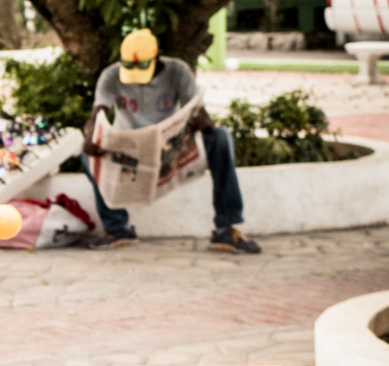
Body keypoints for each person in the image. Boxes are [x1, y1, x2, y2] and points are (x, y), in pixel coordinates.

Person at [79, 27, 263, 255]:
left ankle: (226, 228)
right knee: (86, 155)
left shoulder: (178, 71)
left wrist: (203, 121)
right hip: (128, 151)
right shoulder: (111, 75)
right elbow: (97, 113)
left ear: (156, 58)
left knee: (221, 138)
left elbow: (199, 111)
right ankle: (117, 228)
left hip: (170, 148)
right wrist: (90, 137)